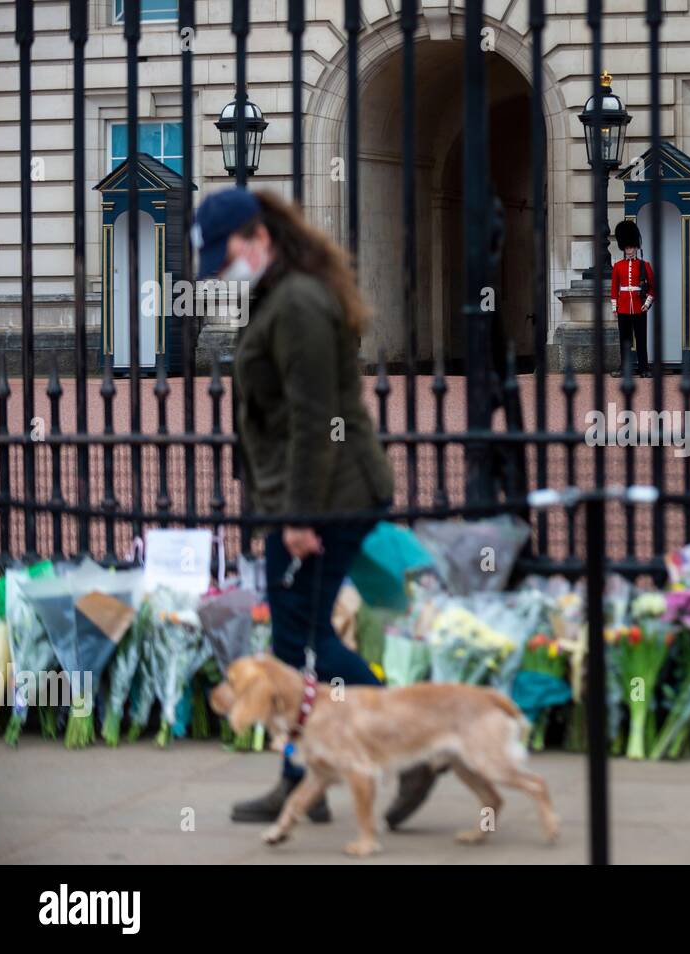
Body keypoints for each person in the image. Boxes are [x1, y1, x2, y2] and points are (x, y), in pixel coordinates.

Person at [192, 188, 439, 829]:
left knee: (307, 640)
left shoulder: (297, 301)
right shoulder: (281, 293)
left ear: (258, 236)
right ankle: (307, 779)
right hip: (308, 496)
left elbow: (315, 419)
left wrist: (299, 517)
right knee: (296, 640)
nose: (222, 269)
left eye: (226, 255)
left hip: (327, 498)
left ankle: (415, 745)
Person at [610, 219, 656, 378]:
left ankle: (644, 368)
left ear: (636, 247)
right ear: (624, 248)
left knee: (641, 339)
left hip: (639, 306)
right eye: (627, 247)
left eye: (632, 247)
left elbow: (652, 287)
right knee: (625, 340)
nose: (629, 250)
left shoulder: (645, 265)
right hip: (623, 307)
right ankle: (624, 367)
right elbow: (614, 288)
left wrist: (647, 304)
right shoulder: (618, 266)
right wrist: (614, 307)